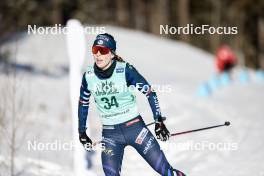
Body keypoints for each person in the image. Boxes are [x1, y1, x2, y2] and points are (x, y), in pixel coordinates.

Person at [78, 33, 186, 176]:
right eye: (95, 50)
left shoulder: (125, 70)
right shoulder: (88, 77)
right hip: (110, 136)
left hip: (136, 129)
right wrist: (82, 132)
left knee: (166, 171)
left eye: (103, 51)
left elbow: (150, 92)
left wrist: (158, 121)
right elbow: (83, 103)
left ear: (111, 54)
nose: (98, 54)